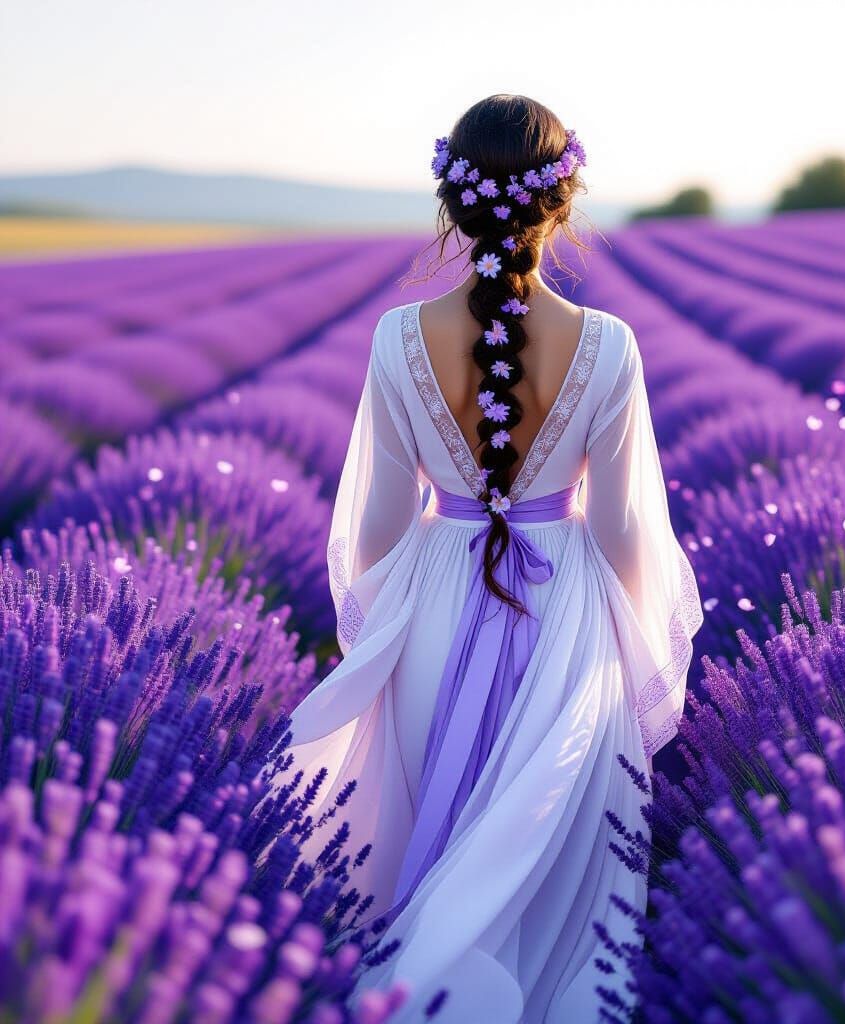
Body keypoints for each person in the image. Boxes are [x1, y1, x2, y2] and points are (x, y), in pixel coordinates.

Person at [267, 94, 703, 1022]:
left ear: (452, 206)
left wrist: (378, 635)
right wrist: (627, 657)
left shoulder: (397, 338)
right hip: (566, 615)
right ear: (565, 201)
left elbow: (379, 521)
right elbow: (626, 529)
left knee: (438, 818)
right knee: (547, 853)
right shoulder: (609, 346)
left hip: (433, 604)